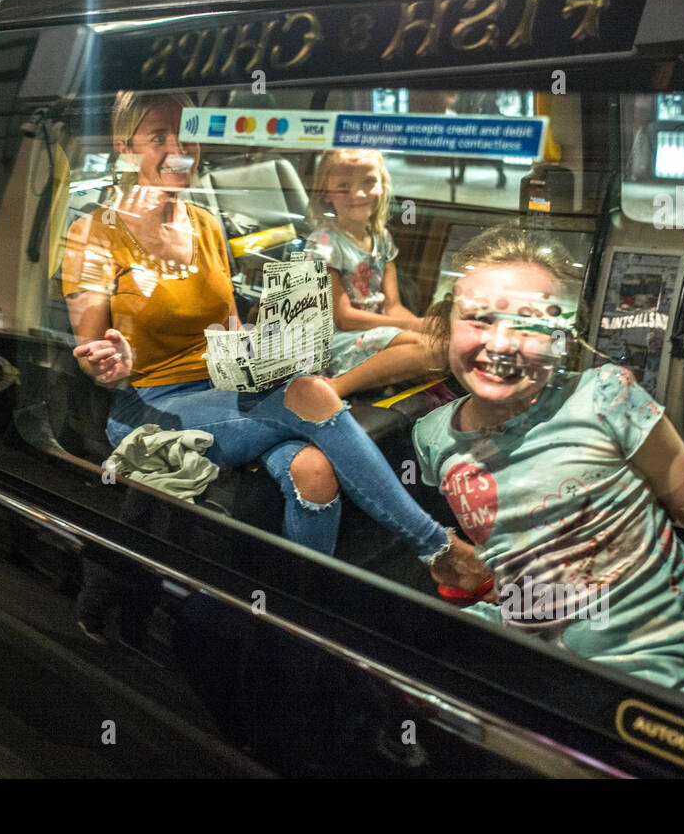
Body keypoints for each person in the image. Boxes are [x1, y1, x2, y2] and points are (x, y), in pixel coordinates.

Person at [62, 91, 487, 584]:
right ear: (125, 145)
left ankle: (295, 603)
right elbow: (92, 356)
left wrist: (275, 340)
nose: (179, 148)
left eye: (190, 135)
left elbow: (229, 329)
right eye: (159, 137)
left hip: (226, 387)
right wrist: (109, 360)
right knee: (311, 395)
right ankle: (438, 549)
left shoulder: (202, 223)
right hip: (154, 405)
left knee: (314, 470)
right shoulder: (92, 232)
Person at [411, 226, 684, 695]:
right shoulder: (432, 436)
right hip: (539, 658)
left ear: (561, 337)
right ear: (447, 322)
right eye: (478, 319)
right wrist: (474, 568)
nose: (501, 344)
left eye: (531, 323)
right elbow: (515, 542)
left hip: (655, 662)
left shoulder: (604, 396)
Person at [304, 148, 445, 398]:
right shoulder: (323, 244)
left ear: (382, 185)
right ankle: (333, 388)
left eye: (369, 182)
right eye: (343, 185)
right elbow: (344, 318)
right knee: (437, 350)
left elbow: (393, 307)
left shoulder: (382, 238)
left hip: (377, 331)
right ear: (325, 193)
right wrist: (415, 325)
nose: (357, 194)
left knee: (442, 345)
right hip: (340, 340)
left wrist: (419, 328)